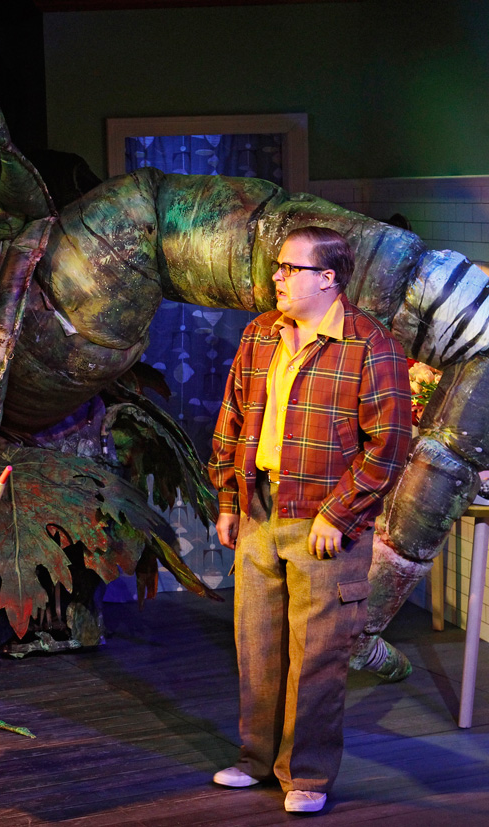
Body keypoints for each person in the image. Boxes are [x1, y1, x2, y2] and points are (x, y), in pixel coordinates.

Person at [207, 226, 411, 815]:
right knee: (257, 647)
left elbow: (389, 445)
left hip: (323, 521)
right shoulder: (261, 333)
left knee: (318, 655)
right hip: (260, 510)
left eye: (290, 268)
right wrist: (228, 499)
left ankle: (308, 775)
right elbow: (232, 416)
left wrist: (340, 514)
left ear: (328, 278)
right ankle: (255, 759)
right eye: (278, 266)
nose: (277, 276)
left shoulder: (371, 345)